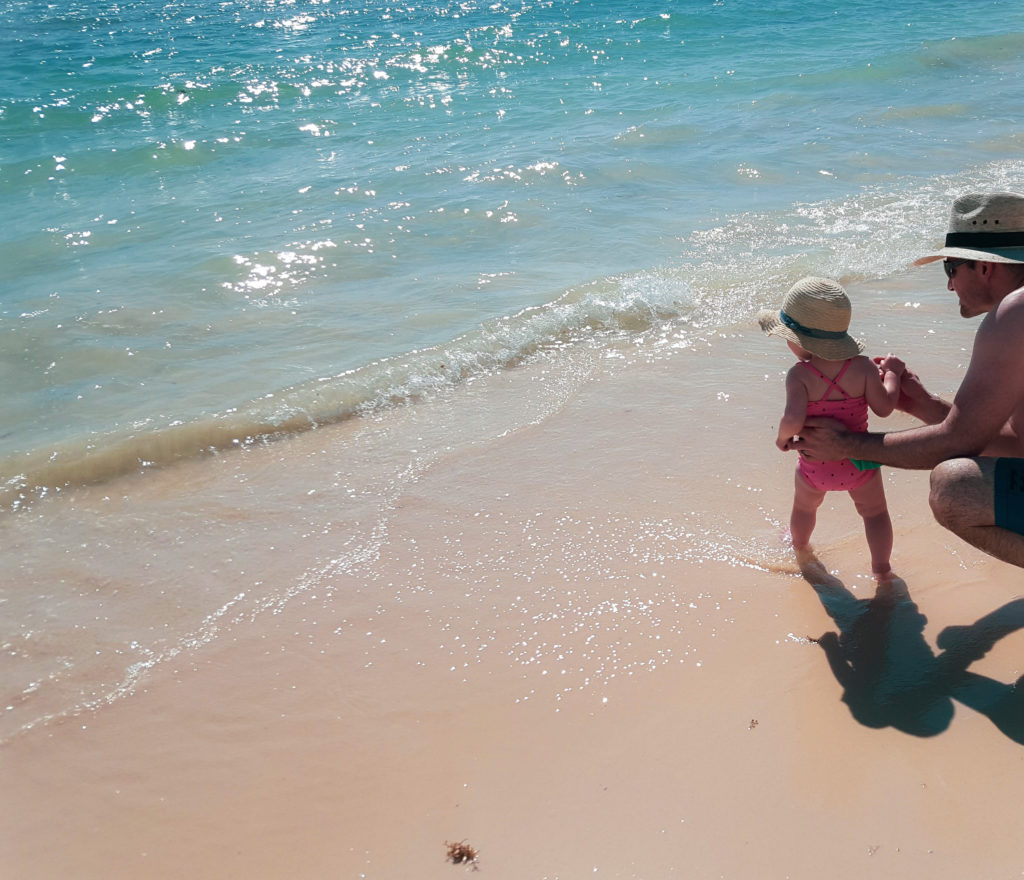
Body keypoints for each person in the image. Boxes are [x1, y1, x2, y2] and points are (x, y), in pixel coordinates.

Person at [791, 192, 1024, 567]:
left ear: (985, 268)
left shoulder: (1015, 311)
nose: (949, 286)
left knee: (954, 487)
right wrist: (923, 405)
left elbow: (959, 442)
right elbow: (1017, 444)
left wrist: (847, 444)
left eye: (950, 268)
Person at [759, 276, 903, 579]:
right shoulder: (863, 367)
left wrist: (782, 439)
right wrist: (892, 375)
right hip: (860, 462)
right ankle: (882, 568)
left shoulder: (799, 375)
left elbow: (792, 420)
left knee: (804, 508)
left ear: (797, 339)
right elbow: (885, 408)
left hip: (815, 466)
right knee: (875, 513)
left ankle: (799, 546)